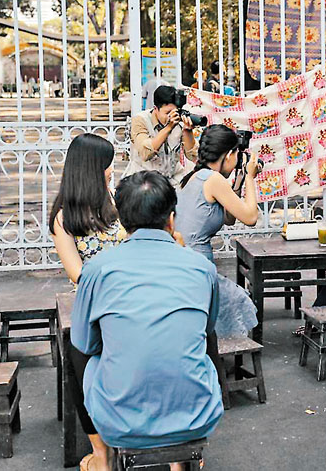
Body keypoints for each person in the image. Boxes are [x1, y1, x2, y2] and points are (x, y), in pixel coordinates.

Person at [70, 171, 222, 471]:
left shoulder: (98, 269)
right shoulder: (201, 268)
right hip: (197, 417)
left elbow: (85, 343)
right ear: (172, 218)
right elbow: (205, 331)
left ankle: (101, 455)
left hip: (118, 422)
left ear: (122, 221)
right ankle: (181, 460)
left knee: (76, 347)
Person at [175, 125, 259, 337]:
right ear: (229, 154)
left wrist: (238, 183)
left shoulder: (195, 176)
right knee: (239, 302)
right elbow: (250, 218)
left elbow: (229, 218)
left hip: (183, 262)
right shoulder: (213, 180)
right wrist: (250, 178)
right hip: (197, 268)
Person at [50, 134, 126, 285]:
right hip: (97, 294)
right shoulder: (63, 218)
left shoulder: (114, 198)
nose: (111, 169)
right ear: (94, 169)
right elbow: (77, 274)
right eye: (108, 164)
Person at [124, 85, 199, 189]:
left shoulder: (179, 121)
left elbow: (193, 155)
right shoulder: (140, 120)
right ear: (155, 109)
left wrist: (188, 131)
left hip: (172, 181)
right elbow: (145, 153)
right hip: (143, 183)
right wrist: (169, 127)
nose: (171, 116)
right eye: (167, 113)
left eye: (174, 112)